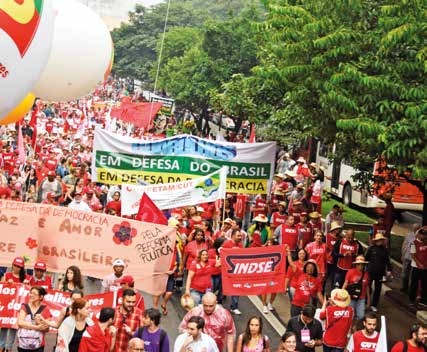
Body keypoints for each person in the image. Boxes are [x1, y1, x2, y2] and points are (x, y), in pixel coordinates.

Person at [0, 256, 31, 351]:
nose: (16, 268)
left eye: (19, 266)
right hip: (7, 306)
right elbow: (1, 287)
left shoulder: (26, 278)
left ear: (22, 268)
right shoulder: (7, 275)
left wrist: (27, 284)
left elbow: (31, 291)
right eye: (15, 265)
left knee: (14, 328)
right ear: (12, 265)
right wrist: (6, 282)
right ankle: (1, 347)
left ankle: (9, 348)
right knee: (4, 327)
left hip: (18, 308)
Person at [17, 286, 52, 352]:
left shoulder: (45, 309)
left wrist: (39, 322)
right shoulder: (24, 306)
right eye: (30, 293)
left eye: (34, 294)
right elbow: (20, 323)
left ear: (41, 297)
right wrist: (37, 327)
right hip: (23, 343)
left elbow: (47, 329)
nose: (31, 295)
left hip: (38, 345)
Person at [364, 233, 392, 312]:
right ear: (376, 241)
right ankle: (366, 302)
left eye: (381, 240)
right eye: (379, 240)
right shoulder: (371, 248)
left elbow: (387, 261)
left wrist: (389, 270)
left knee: (378, 289)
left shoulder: (385, 250)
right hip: (370, 271)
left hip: (380, 273)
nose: (380, 241)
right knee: (368, 287)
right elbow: (366, 259)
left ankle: (374, 304)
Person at [223, 229, 244, 315]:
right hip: (226, 270)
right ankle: (219, 302)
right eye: (238, 235)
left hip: (236, 270)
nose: (240, 237)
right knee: (221, 286)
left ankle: (234, 306)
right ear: (233, 235)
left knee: (236, 288)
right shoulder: (227, 244)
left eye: (241, 236)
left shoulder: (240, 245)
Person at [343, 256, 370, 321]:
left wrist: (368, 299)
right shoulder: (350, 272)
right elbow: (345, 283)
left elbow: (367, 287)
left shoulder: (366, 274)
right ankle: (351, 326)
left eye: (362, 264)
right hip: (351, 296)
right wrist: (342, 294)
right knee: (350, 314)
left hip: (361, 298)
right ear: (355, 265)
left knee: (361, 316)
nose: (360, 265)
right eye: (358, 264)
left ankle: (355, 324)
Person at [409, 226, 427, 309]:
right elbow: (413, 255)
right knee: (414, 284)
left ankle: (423, 301)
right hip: (416, 267)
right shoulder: (414, 243)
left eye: (425, 235)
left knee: (424, 284)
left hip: (425, 267)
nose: (424, 236)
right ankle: (411, 300)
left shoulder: (426, 243)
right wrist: (419, 264)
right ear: (419, 235)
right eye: (422, 235)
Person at [401, 224, 420, 293]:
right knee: (404, 274)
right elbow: (404, 245)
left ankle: (412, 289)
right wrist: (402, 254)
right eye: (414, 228)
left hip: (415, 259)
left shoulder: (420, 237)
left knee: (413, 275)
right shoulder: (408, 235)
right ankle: (404, 287)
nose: (415, 229)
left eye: (417, 228)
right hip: (407, 256)